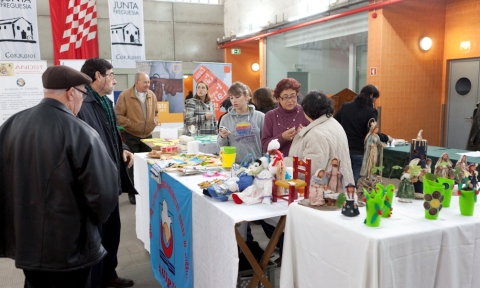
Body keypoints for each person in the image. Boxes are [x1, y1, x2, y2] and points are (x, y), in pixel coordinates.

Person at [0, 66, 119, 287]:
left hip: (26, 245)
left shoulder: (11, 125)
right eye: (83, 93)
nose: (83, 100)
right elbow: (104, 195)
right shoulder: (80, 131)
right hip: (69, 249)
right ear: (70, 92)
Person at [78, 58, 137, 288]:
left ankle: (108, 275)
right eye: (110, 74)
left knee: (113, 232)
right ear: (97, 76)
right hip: (96, 184)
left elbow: (113, 135)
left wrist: (124, 148)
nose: (114, 79)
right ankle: (96, 281)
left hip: (112, 180)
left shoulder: (105, 102)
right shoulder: (82, 104)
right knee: (96, 237)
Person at [288, 90, 354, 185]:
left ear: (307, 110)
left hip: (325, 192)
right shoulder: (333, 123)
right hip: (342, 185)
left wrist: (285, 163)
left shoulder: (315, 134)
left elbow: (311, 169)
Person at [334, 84, 392, 185]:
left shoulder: (345, 107)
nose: (374, 102)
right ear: (371, 96)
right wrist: (387, 137)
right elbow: (371, 133)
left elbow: (334, 123)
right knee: (356, 185)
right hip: (360, 152)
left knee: (342, 183)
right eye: (375, 99)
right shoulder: (371, 111)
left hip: (343, 150)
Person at [116, 72, 158, 205]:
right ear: (136, 82)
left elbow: (156, 113)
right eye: (145, 82)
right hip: (131, 134)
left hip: (147, 135)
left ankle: (145, 190)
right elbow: (118, 115)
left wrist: (154, 122)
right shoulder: (125, 95)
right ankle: (132, 192)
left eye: (148, 82)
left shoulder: (152, 95)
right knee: (132, 165)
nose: (148, 85)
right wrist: (133, 125)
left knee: (147, 163)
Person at [261, 78, 310, 157]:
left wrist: (303, 135)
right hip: (277, 164)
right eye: (285, 97)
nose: (290, 100)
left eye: (293, 96)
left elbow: (314, 140)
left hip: (301, 162)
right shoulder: (270, 116)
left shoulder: (306, 112)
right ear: (278, 98)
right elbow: (265, 146)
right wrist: (282, 138)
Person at [218, 81, 265, 163]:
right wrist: (222, 137)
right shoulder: (225, 119)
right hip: (234, 165)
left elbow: (266, 142)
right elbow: (222, 147)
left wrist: (264, 162)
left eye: (237, 97)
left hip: (257, 164)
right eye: (231, 97)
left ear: (246, 97)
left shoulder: (260, 117)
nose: (234, 101)